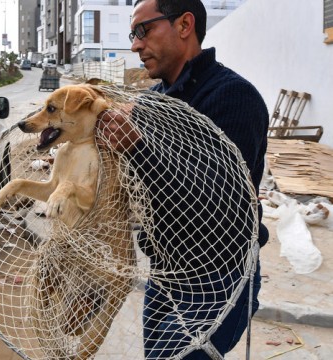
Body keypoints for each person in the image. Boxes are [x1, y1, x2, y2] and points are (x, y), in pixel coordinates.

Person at [97, 0, 269, 358]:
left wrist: (138, 148)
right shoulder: (151, 103)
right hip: (165, 274)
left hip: (220, 279)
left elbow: (221, 202)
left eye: (143, 31)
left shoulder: (233, 96)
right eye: (133, 34)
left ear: (184, 25)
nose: (134, 45)